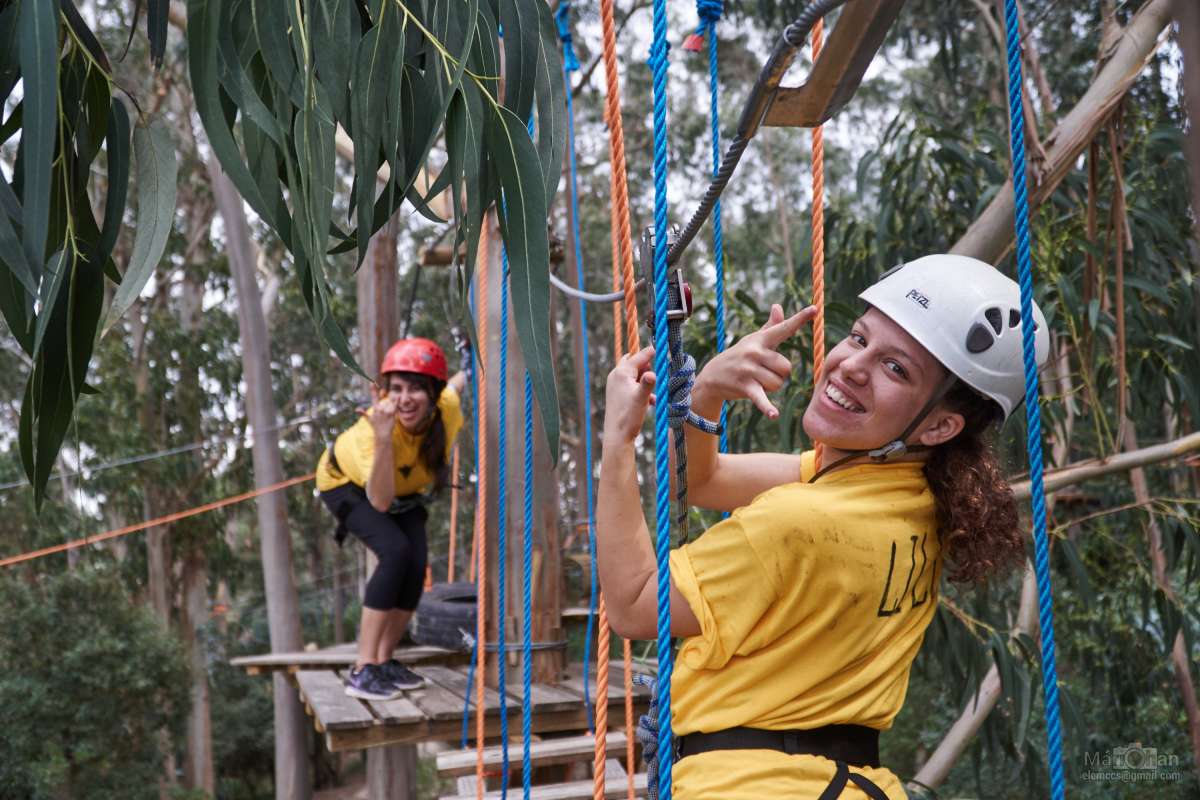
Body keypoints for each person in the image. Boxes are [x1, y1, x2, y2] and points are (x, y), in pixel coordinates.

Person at [596, 255, 1048, 798]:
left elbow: (634, 604)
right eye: (859, 339)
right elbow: (705, 481)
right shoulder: (911, 498)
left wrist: (617, 442)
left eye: (896, 368)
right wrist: (708, 390)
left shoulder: (801, 523)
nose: (853, 367)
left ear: (941, 426)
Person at [316, 337, 467, 701]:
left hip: (404, 491)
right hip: (347, 486)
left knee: (416, 564)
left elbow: (460, 381)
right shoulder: (374, 433)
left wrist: (472, 355)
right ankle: (363, 668)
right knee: (395, 551)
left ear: (433, 393)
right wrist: (384, 438)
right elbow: (380, 502)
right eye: (396, 389)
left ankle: (384, 660)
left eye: (416, 388)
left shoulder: (445, 408)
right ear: (382, 393)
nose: (404, 398)